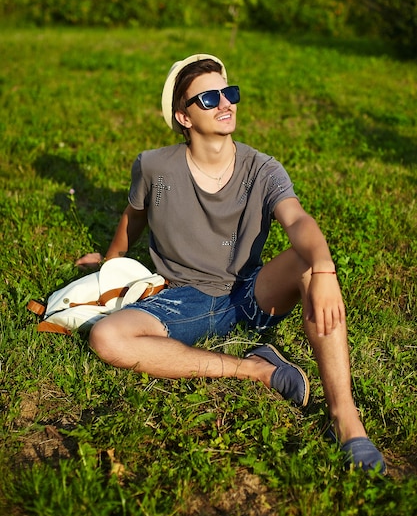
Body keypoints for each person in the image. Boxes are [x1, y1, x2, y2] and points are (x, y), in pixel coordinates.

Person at [76, 53, 385, 474]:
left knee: (310, 264)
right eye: (208, 99)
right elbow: (134, 216)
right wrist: (111, 262)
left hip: (250, 291)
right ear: (183, 116)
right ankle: (254, 369)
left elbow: (296, 220)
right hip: (182, 299)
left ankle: (345, 418)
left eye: (229, 92)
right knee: (107, 338)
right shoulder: (154, 166)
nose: (225, 103)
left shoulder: (263, 168)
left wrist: (325, 270)